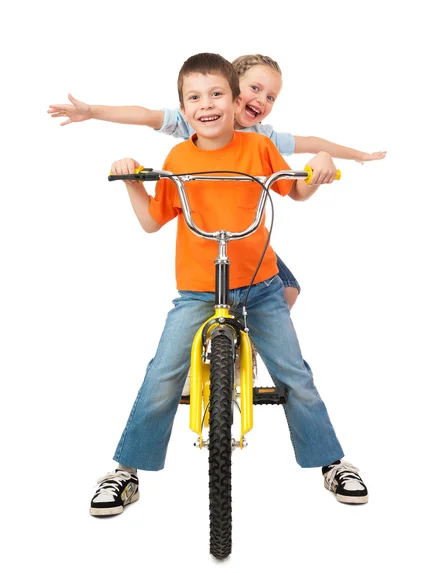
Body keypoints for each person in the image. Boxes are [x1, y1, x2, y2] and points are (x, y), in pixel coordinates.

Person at [89, 53, 368, 518]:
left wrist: (319, 165)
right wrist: (132, 180)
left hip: (259, 284)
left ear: (234, 100)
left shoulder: (257, 149)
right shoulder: (178, 157)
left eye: (217, 94)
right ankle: (127, 471)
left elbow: (294, 190)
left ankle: (332, 463)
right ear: (182, 107)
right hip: (199, 289)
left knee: (294, 374)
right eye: (194, 98)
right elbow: (152, 222)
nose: (207, 105)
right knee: (162, 374)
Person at [48, 53, 386, 313]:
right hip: (205, 218)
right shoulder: (197, 117)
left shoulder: (261, 138)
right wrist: (92, 111)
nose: (261, 100)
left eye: (271, 97)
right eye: (255, 88)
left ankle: (250, 337)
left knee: (289, 287)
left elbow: (311, 141)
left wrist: (358, 154)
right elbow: (145, 115)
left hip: (242, 229)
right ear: (234, 89)